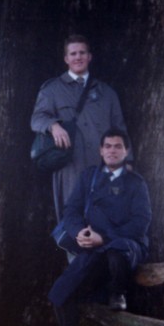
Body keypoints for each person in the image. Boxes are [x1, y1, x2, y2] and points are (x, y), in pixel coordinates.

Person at [44, 129, 151, 326]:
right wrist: (78, 233)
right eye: (108, 146)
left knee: (116, 254)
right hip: (92, 249)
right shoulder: (88, 177)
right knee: (60, 294)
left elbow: (140, 222)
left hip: (123, 246)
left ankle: (117, 293)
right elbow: (71, 211)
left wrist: (105, 238)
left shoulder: (136, 183)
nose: (112, 150)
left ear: (126, 151)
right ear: (101, 150)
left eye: (118, 146)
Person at [31, 35, 127, 220]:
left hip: (103, 167)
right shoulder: (52, 89)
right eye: (73, 53)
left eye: (82, 52)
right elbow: (37, 118)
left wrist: (127, 162)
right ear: (66, 59)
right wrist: (53, 126)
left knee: (105, 221)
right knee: (73, 221)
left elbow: (120, 129)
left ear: (89, 56)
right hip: (70, 168)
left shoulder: (107, 93)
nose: (78, 57)